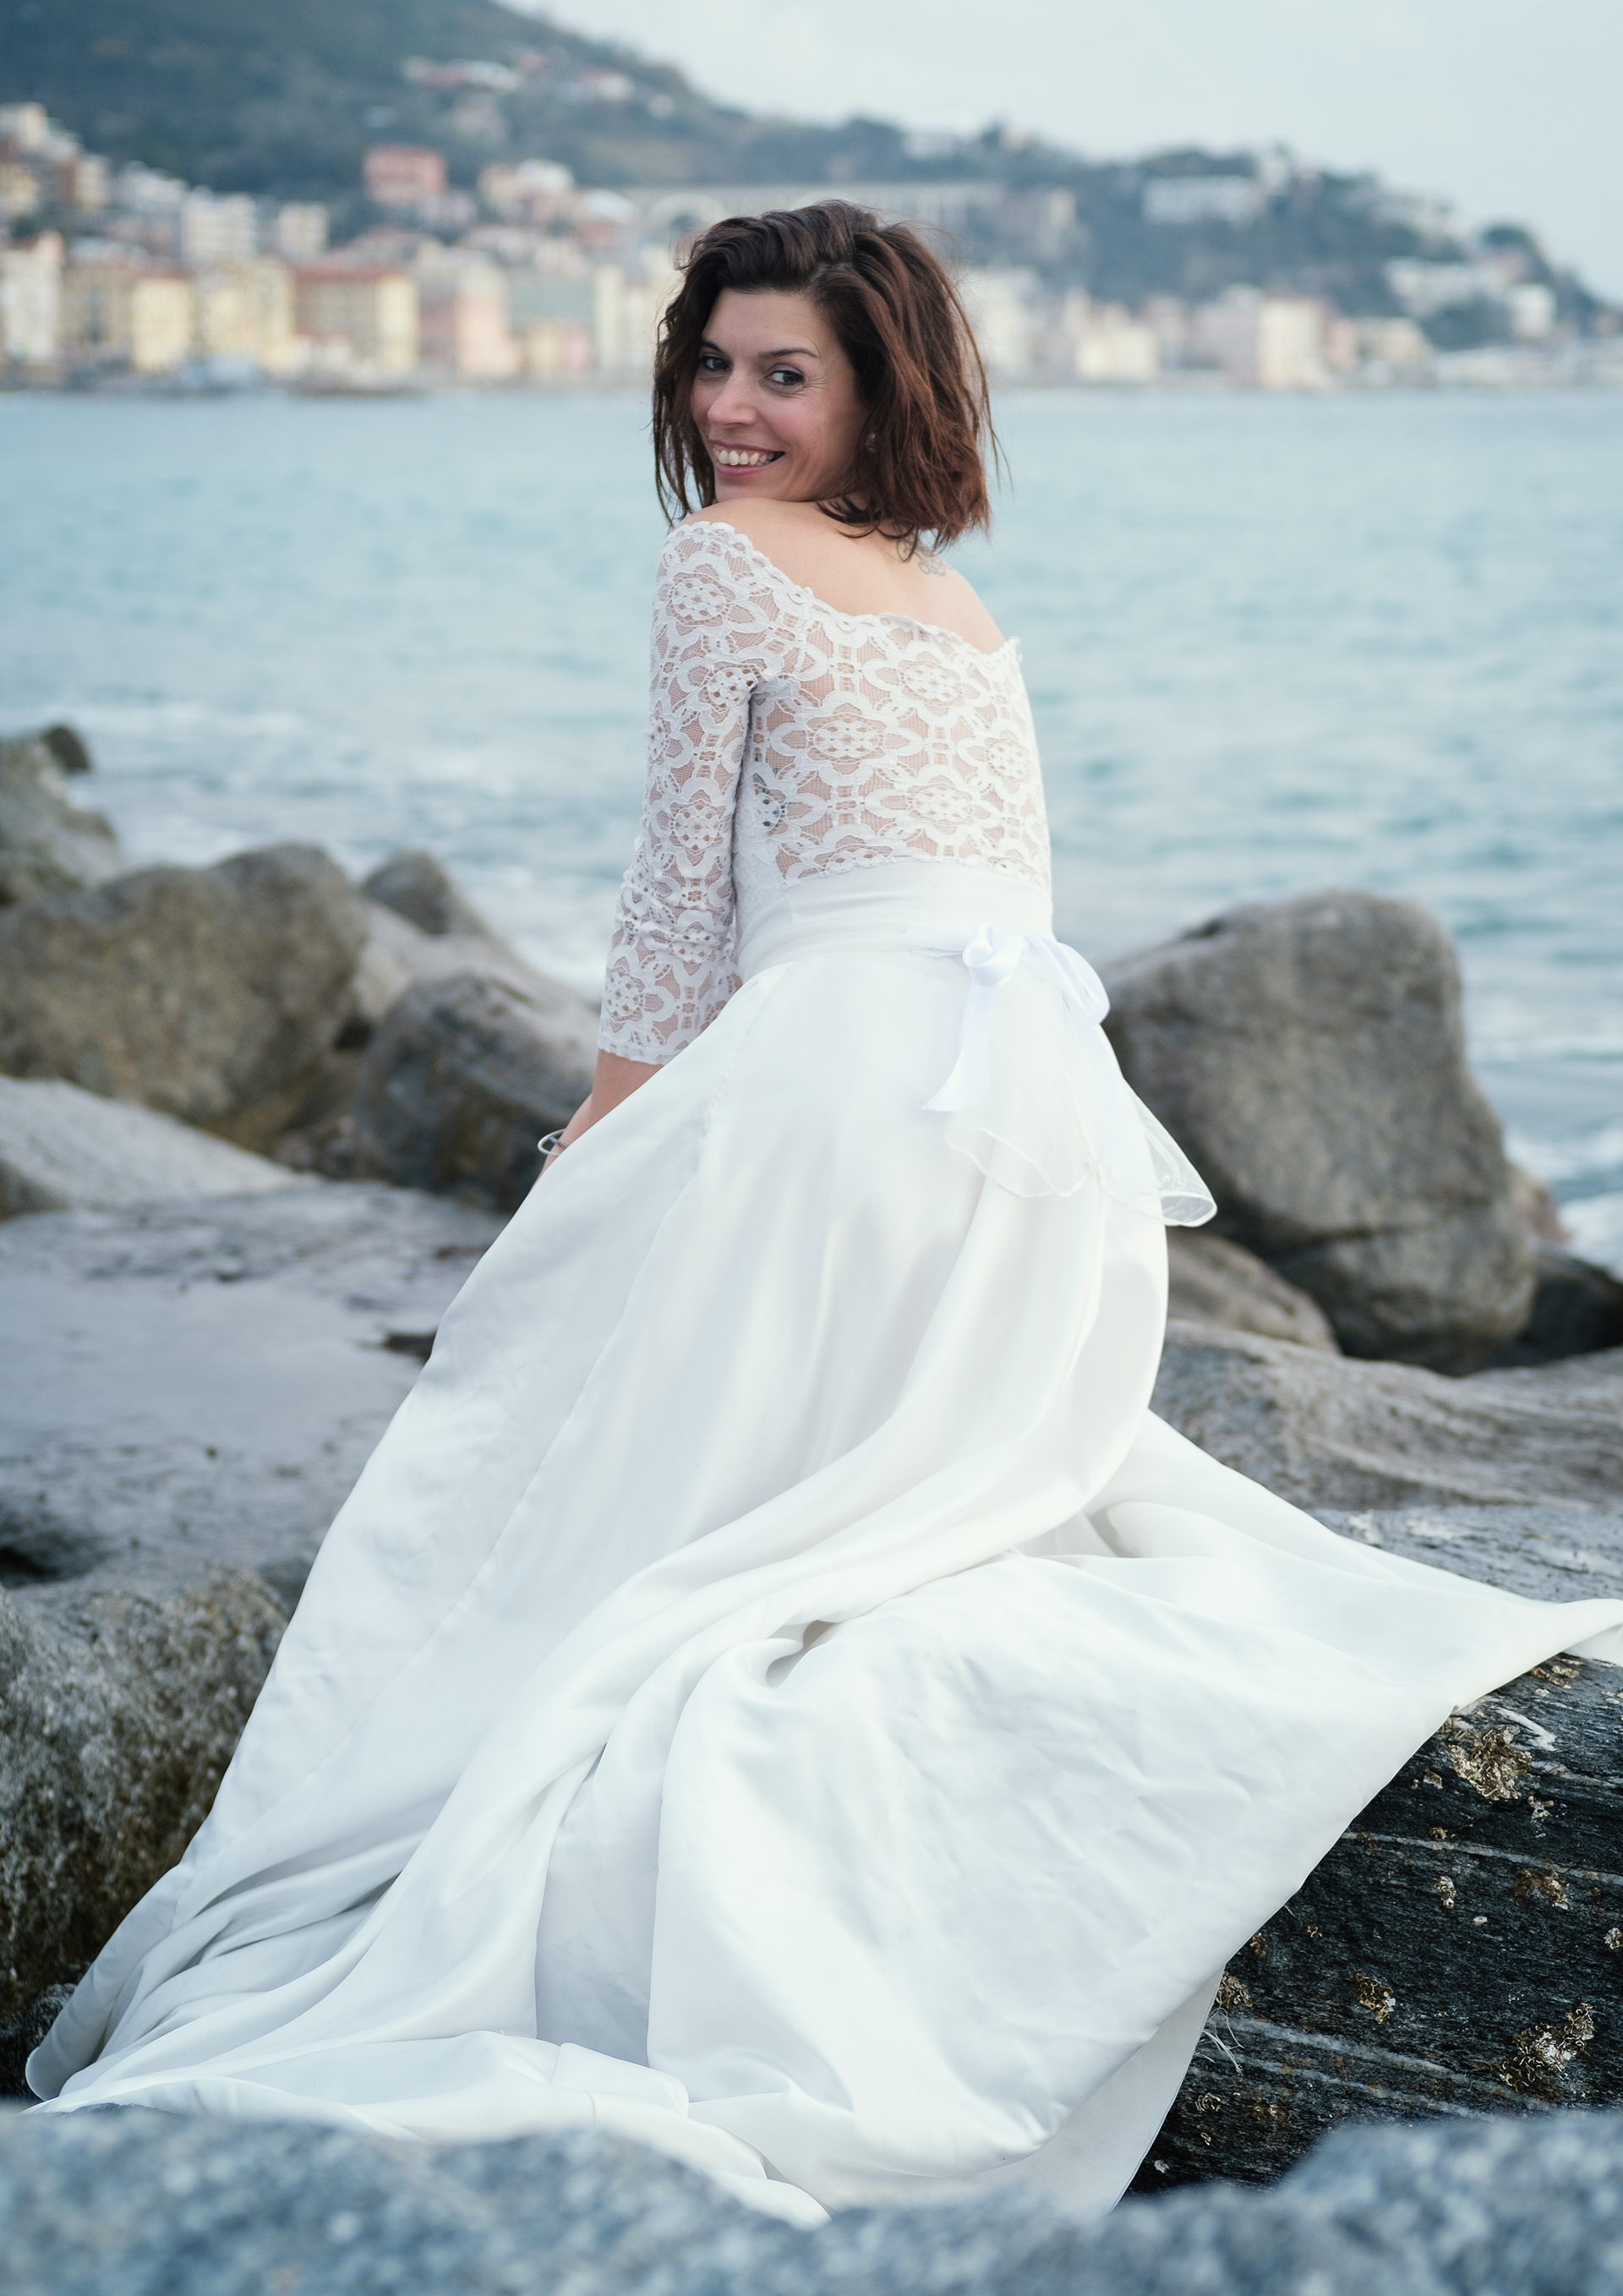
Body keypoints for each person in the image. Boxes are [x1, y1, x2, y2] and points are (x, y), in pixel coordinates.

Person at [28, 204, 1623, 2227]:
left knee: (537, 1434)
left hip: (859, 1086)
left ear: (879, 385)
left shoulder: (721, 561)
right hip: (1035, 1137)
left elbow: (677, 901)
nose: (732, 408)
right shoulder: (954, 601)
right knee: (841, 1500)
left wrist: (602, 1140)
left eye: (784, 373)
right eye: (713, 366)